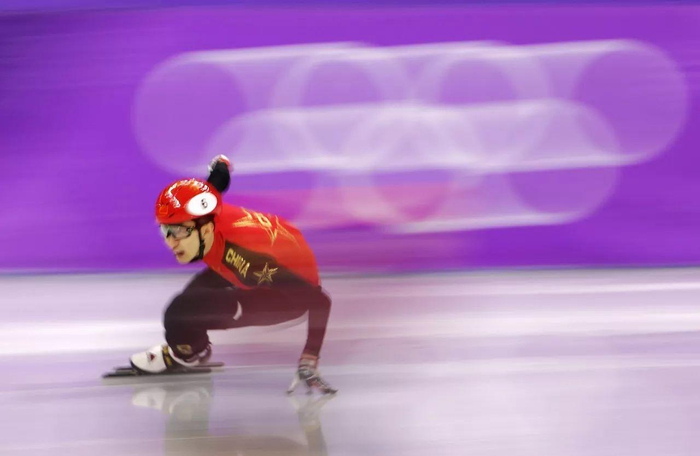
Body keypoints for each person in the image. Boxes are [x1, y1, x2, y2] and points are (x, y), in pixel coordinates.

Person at [130, 155, 337, 394]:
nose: (171, 242)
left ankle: (186, 355)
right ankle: (195, 346)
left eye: (179, 231)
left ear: (205, 229)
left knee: (180, 313)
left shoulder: (247, 263)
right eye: (166, 230)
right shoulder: (206, 205)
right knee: (191, 300)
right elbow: (218, 179)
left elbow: (320, 300)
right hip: (268, 253)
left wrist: (309, 359)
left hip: (281, 294)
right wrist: (222, 164)